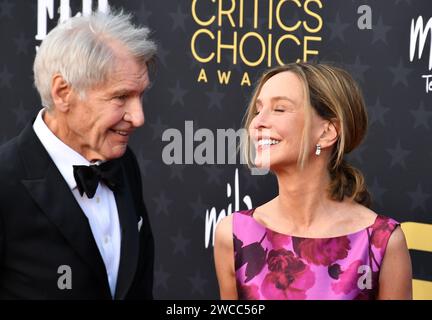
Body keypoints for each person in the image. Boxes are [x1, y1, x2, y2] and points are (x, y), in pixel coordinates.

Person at [214, 62, 412, 300]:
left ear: (327, 132)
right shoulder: (234, 234)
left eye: (279, 109)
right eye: (258, 110)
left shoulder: (380, 242)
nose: (257, 122)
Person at [0, 10, 156, 299]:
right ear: (63, 93)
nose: (138, 117)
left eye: (141, 95)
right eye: (121, 97)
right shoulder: (5, 182)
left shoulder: (125, 165)